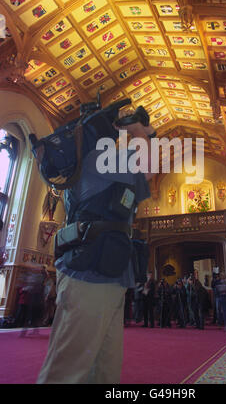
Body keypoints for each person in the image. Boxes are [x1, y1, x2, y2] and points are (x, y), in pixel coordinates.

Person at [37, 107, 155, 384]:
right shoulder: (96, 159)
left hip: (106, 273)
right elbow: (147, 169)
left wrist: (141, 132)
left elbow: (141, 183)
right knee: (67, 370)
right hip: (90, 273)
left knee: (103, 370)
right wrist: (140, 130)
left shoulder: (99, 162)